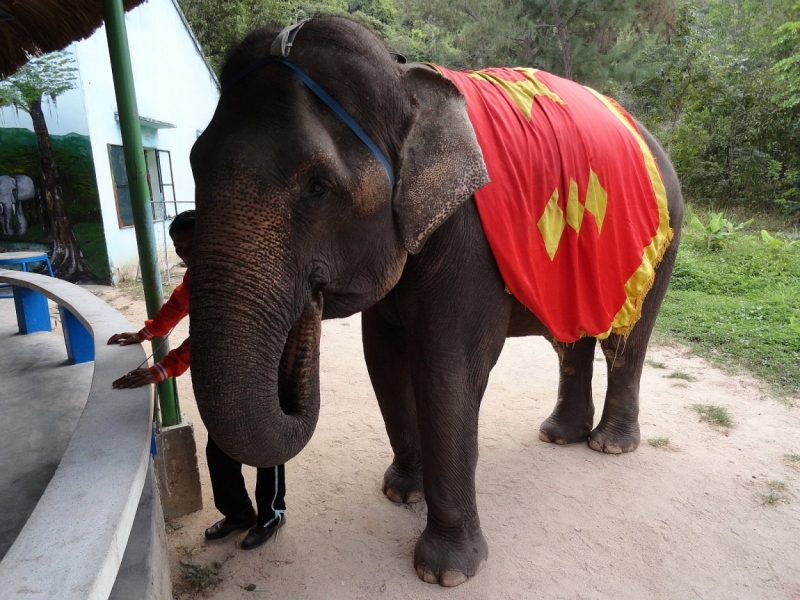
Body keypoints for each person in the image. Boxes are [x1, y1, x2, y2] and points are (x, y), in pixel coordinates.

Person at [109, 210, 286, 550]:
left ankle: (272, 514)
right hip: (226, 375)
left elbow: (212, 333)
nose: (187, 254)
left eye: (194, 245)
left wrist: (164, 368)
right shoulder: (197, 274)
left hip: (263, 368)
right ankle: (238, 514)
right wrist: (146, 333)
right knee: (219, 445)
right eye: (179, 247)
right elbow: (178, 305)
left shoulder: (239, 273)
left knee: (268, 443)